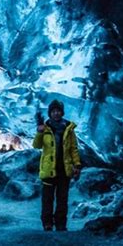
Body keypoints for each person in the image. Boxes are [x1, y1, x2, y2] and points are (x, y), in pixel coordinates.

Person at [32, 99, 82, 232]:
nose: (56, 113)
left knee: (62, 199)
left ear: (62, 112)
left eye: (58, 111)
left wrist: (77, 165)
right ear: (50, 113)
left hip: (64, 170)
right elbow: (36, 145)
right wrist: (39, 132)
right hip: (49, 169)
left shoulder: (69, 129)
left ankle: (61, 224)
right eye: (53, 111)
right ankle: (47, 223)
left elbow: (73, 149)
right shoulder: (45, 128)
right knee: (47, 199)